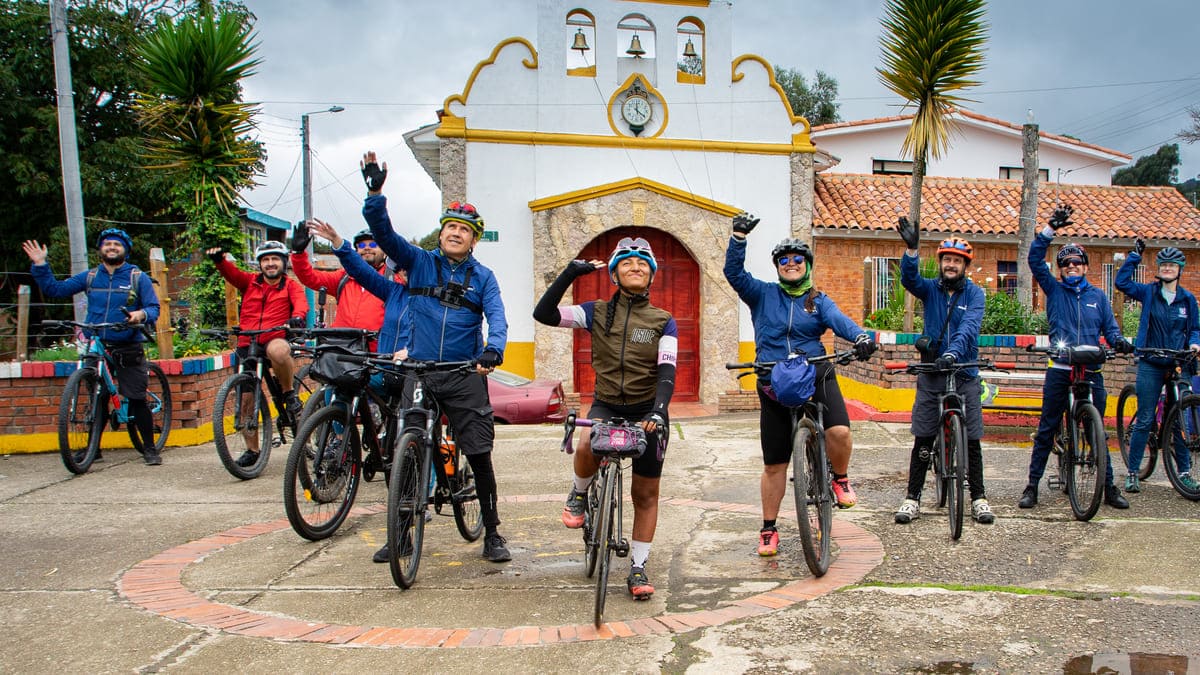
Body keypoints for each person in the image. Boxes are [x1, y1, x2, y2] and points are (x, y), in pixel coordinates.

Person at [358, 151, 512, 563]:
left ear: (474, 239)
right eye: (450, 227)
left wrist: (493, 349)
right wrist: (375, 194)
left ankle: (493, 533)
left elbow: (497, 317)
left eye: (464, 230)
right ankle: (401, 534)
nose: (456, 234)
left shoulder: (483, 278)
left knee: (479, 452)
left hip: (463, 374)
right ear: (441, 233)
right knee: (406, 452)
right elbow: (385, 236)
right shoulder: (420, 263)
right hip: (420, 373)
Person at [723, 212, 877, 556]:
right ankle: (768, 528)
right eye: (783, 260)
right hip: (772, 380)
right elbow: (733, 274)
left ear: (807, 265)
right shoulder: (762, 294)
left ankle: (839, 479)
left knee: (839, 433)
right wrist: (738, 239)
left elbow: (841, 323)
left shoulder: (818, 300)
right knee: (774, 464)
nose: (790, 264)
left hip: (816, 373)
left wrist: (862, 337)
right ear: (777, 267)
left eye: (797, 260)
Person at [533, 238, 676, 600]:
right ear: (613, 273)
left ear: (652, 276)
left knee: (645, 493)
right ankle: (579, 495)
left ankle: (638, 567)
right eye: (627, 263)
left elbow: (667, 370)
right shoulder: (594, 312)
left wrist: (659, 411)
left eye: (643, 264)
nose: (636, 267)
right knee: (585, 442)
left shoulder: (663, 321)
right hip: (607, 404)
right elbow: (544, 314)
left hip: (648, 410)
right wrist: (569, 274)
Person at [307, 217, 415, 564]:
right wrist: (338, 243)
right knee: (338, 393)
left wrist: (410, 350)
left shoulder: (415, 289)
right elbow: (351, 268)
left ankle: (417, 497)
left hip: (402, 367)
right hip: (365, 359)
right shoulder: (384, 286)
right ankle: (344, 445)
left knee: (409, 434)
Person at [1018, 205, 1134, 510]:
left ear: (1085, 267)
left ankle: (1108, 487)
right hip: (1061, 368)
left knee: (1097, 432)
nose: (1071, 267)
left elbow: (1110, 329)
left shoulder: (1098, 297)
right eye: (1066, 263)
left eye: (1076, 263)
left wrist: (1119, 341)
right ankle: (1032, 487)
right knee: (1047, 427)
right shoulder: (1054, 290)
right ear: (1060, 269)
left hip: (1091, 369)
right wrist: (1048, 230)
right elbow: (1033, 260)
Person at [23, 230, 162, 465]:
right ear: (100, 249)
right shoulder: (89, 277)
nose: (111, 247)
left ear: (125, 249)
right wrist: (40, 264)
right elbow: (55, 290)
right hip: (97, 344)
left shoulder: (137, 277)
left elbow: (153, 308)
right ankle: (93, 449)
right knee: (98, 397)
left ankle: (149, 449)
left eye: (116, 244)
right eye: (107, 244)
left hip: (127, 343)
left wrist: (139, 314)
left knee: (137, 398)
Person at [892, 218, 993, 525]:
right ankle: (912, 498)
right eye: (947, 259)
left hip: (963, 372)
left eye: (957, 261)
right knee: (923, 437)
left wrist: (953, 353)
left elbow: (969, 327)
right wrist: (911, 250)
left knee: (972, 438)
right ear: (941, 263)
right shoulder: (931, 290)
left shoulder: (975, 295)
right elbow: (909, 281)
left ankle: (978, 498)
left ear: (965, 265)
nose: (951, 265)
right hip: (932, 372)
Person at [205, 240, 308, 467]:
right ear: (260, 264)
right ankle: (252, 450)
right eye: (265, 260)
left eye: (274, 259)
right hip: (248, 341)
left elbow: (301, 305)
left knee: (277, 350)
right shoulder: (250, 282)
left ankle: (289, 393)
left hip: (276, 337)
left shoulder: (291, 286)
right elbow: (231, 274)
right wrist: (219, 260)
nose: (270, 264)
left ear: (283, 262)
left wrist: (297, 317)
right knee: (246, 400)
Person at [1114, 240, 1200, 494]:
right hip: (1151, 361)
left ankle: (1183, 473)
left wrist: (1195, 344)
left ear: (1180, 270)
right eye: (1164, 265)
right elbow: (1122, 283)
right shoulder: (1149, 292)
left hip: (1178, 362)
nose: (1168, 269)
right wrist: (1134, 256)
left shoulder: (1188, 300)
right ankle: (1133, 472)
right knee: (1146, 418)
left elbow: (1195, 329)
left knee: (1178, 419)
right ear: (1159, 269)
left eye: (1173, 265)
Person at [290, 223, 404, 346]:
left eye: (373, 244)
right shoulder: (344, 277)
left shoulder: (394, 279)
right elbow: (309, 277)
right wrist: (298, 253)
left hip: (376, 353)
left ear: (385, 251)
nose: (367, 248)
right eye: (361, 245)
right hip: (341, 348)